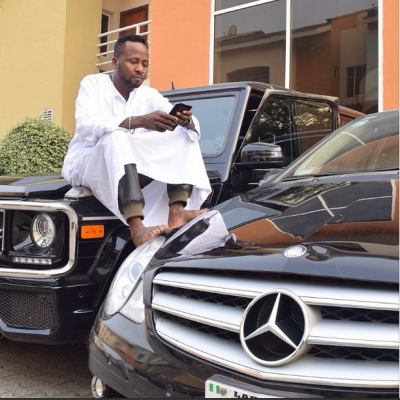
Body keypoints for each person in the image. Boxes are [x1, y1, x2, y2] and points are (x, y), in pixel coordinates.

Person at [62, 33, 211, 247]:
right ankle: (137, 228)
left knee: (183, 133)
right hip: (86, 163)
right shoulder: (93, 84)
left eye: (144, 64)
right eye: (134, 62)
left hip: (131, 166)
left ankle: (177, 210)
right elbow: (87, 126)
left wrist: (184, 120)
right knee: (116, 137)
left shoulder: (148, 95)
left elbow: (192, 126)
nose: (140, 68)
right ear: (115, 62)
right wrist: (138, 121)